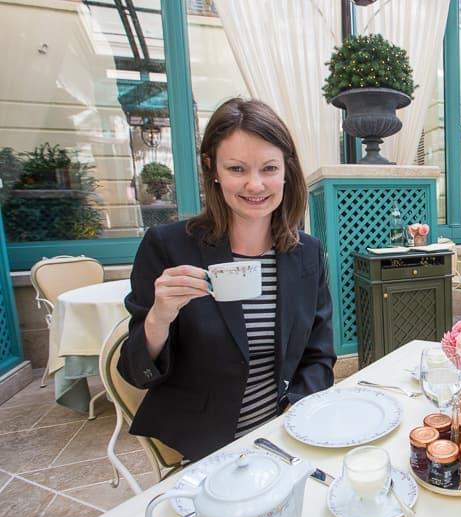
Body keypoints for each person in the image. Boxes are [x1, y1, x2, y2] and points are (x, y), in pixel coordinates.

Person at [118, 98, 335, 461]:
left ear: (286, 171)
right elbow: (134, 370)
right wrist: (159, 316)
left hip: (282, 439)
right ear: (212, 169)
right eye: (237, 168)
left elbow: (319, 354)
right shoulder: (168, 247)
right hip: (204, 449)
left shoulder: (306, 253)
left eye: (269, 168)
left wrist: (293, 412)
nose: (255, 184)